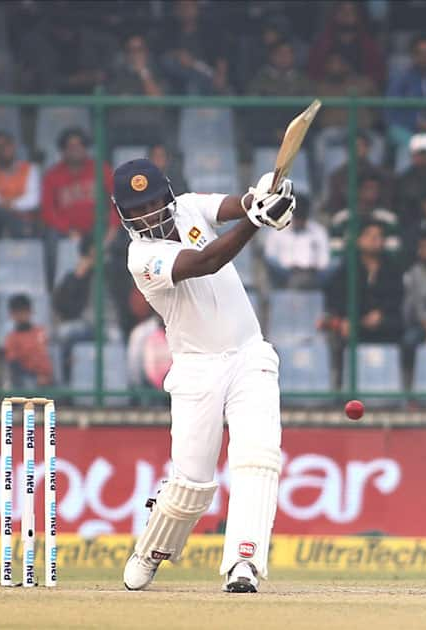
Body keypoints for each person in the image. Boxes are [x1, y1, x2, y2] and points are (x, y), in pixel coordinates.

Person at [111, 158, 295, 593]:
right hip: (197, 369)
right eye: (135, 208)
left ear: (167, 195)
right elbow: (206, 261)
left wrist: (269, 198)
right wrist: (256, 220)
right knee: (192, 481)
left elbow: (240, 204)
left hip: (250, 354)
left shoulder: (191, 207)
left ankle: (243, 564)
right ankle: (151, 551)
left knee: (258, 459)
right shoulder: (141, 258)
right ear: (123, 214)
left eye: (153, 202)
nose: (147, 214)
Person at [41, 127, 116, 283]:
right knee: (50, 238)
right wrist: (68, 230)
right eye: (70, 146)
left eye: (79, 145)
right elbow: (48, 211)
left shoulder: (101, 169)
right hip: (67, 231)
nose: (75, 150)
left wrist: (111, 232)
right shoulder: (53, 175)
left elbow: (117, 202)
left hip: (98, 228)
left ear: (86, 148)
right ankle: (53, 287)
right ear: (63, 150)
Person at [320, 221, 403, 344]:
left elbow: (396, 297)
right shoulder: (347, 268)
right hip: (354, 320)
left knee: (396, 324)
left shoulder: (391, 269)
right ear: (359, 240)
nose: (374, 239)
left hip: (383, 321)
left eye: (379, 236)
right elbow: (336, 298)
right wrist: (348, 319)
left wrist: (380, 313)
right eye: (369, 235)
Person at [385, 34, 426, 149]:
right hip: (405, 129)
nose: (424, 57)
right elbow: (390, 112)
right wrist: (415, 122)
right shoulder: (400, 78)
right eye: (419, 53)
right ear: (413, 56)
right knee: (406, 140)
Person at [0, 130, 40, 243]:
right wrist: (2, 203)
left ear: (13, 146)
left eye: (6, 145)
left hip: (24, 218)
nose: (3, 149)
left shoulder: (30, 170)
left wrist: (11, 204)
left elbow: (34, 199)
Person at [307, 1, 386, 89]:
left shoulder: (369, 46)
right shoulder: (322, 44)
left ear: (358, 15)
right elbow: (312, 78)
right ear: (335, 14)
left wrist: (347, 72)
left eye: (351, 11)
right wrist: (328, 70)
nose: (347, 15)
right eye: (343, 11)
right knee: (315, 102)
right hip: (327, 94)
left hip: (358, 95)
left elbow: (377, 79)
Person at [247, 40, 312, 145]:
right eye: (280, 54)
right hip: (267, 132)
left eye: (287, 54)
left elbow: (309, 109)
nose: (284, 57)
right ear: (272, 56)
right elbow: (254, 109)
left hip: (297, 132)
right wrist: (273, 132)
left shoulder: (303, 81)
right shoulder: (260, 80)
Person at [106, 34, 167, 146]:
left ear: (146, 52)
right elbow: (110, 103)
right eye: (130, 50)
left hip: (150, 130)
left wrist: (143, 72)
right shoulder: (116, 74)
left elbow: (158, 101)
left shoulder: (157, 72)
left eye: (139, 49)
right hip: (122, 130)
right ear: (125, 54)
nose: (135, 54)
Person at [52, 234, 95, 382]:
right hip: (80, 324)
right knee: (64, 333)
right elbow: (61, 306)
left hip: (107, 326)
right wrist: (79, 277)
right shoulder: (73, 278)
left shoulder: (110, 272)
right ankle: (65, 384)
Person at [264, 194, 330, 289]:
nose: (299, 221)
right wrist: (288, 267)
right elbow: (270, 256)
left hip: (312, 276)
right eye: (297, 216)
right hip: (285, 275)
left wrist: (314, 268)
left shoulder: (318, 231)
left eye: (302, 217)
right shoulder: (277, 231)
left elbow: (324, 260)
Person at [330, 173, 401, 258]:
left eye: (376, 189)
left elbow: (392, 250)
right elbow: (336, 251)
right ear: (358, 190)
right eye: (368, 188)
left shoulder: (388, 219)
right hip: (348, 266)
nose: (373, 192)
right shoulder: (341, 218)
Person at [323, 131, 393, 214]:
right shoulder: (337, 176)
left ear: (368, 148)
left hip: (376, 217)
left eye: (360, 146)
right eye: (352, 146)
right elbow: (334, 205)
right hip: (347, 217)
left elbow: (386, 202)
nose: (357, 149)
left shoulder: (381, 175)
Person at [4, 293, 53, 388]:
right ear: (12, 315)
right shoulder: (12, 338)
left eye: (24, 312)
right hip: (28, 378)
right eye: (18, 313)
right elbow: (14, 366)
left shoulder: (41, 332)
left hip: (48, 378)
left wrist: (45, 376)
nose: (21, 316)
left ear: (30, 312)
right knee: (28, 384)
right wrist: (36, 377)